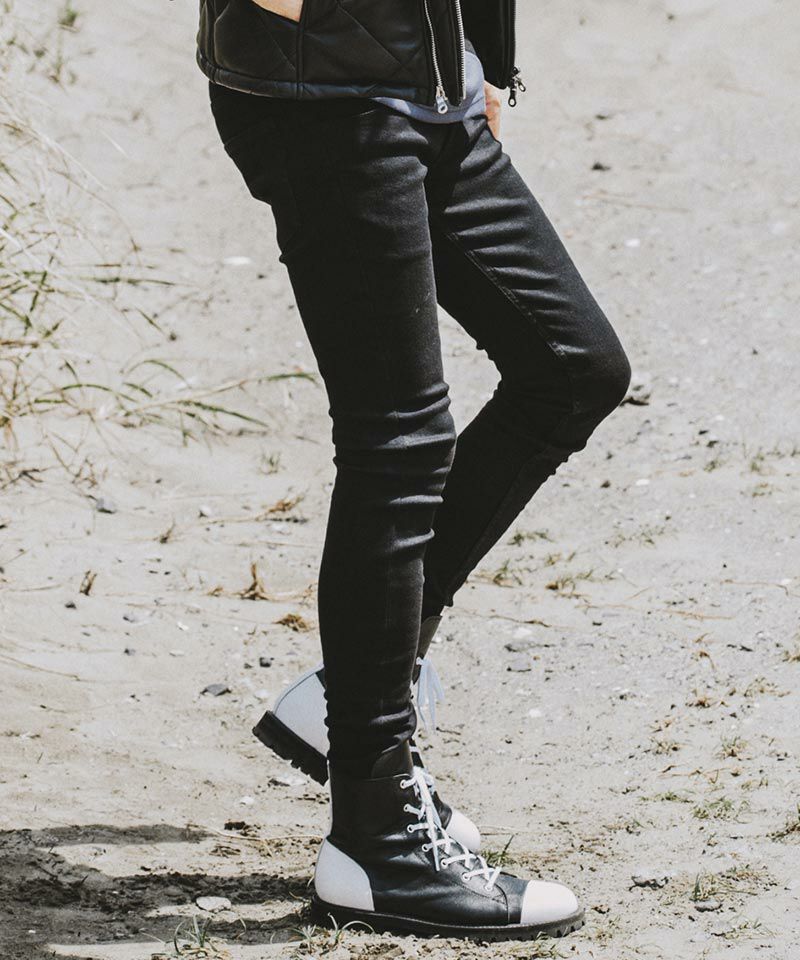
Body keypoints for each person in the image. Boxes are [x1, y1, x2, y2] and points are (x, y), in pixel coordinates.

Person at [198, 0, 631, 941]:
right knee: (399, 440)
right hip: (329, 102)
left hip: (432, 89)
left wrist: (477, 57)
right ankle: (377, 836)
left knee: (572, 371)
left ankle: (354, 695)